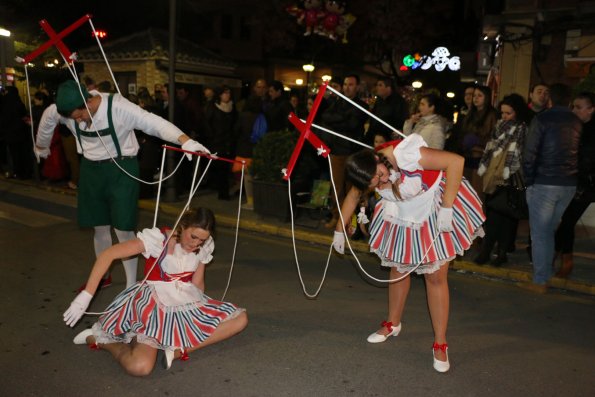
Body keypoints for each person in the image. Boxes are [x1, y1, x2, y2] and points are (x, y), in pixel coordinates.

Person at [34, 80, 209, 290]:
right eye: (74, 118)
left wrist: (185, 140)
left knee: (124, 229)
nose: (79, 121)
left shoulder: (118, 107)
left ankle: (131, 286)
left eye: (80, 115)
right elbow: (47, 120)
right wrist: (41, 145)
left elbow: (153, 123)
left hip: (122, 168)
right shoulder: (61, 111)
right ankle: (103, 276)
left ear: (88, 102)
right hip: (91, 169)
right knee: (99, 227)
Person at [331, 134, 485, 373]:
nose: (380, 182)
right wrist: (339, 230)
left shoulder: (407, 154)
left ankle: (440, 343)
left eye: (381, 175)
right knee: (398, 270)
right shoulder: (365, 171)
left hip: (433, 208)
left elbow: (456, 161)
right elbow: (352, 196)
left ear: (377, 158)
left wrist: (447, 208)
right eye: (374, 183)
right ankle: (392, 323)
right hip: (401, 213)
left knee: (435, 277)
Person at [63, 207, 248, 376]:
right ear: (183, 226)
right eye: (193, 237)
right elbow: (108, 254)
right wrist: (87, 295)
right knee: (140, 367)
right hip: (153, 306)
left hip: (185, 301)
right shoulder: (158, 239)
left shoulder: (203, 247)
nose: (196, 244)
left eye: (202, 240)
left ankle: (176, 350)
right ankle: (100, 340)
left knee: (240, 319)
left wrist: (199, 316)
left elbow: (197, 283)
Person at [521, 83, 582, 293]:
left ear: (550, 99)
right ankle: (545, 274)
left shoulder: (542, 119)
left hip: (545, 181)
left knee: (540, 233)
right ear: (569, 100)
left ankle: (540, 280)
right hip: (568, 184)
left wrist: (529, 180)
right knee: (548, 231)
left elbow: (529, 153)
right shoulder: (577, 122)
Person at [475, 94, 531, 265]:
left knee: (507, 218)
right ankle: (486, 250)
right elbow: (490, 149)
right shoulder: (499, 127)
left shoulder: (522, 128)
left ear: (517, 112)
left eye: (509, 113)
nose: (505, 116)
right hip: (493, 176)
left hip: (511, 177)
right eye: (503, 113)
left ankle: (501, 253)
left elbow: (520, 154)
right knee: (492, 216)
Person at [554, 92, 595, 277]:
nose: (574, 110)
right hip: (573, 181)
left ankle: (564, 259)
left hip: (586, 185)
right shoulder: (574, 127)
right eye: (573, 106)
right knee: (566, 221)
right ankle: (562, 258)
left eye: (579, 107)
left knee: (567, 220)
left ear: (591, 109)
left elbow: (586, 160)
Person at [320, 74, 368, 228]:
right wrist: (343, 118)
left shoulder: (362, 105)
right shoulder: (337, 102)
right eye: (345, 84)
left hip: (353, 152)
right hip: (336, 151)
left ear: (357, 86)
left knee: (352, 188)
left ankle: (350, 221)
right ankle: (337, 216)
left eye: (351, 84)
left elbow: (352, 125)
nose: (347, 87)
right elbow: (325, 116)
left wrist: (338, 120)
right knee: (337, 187)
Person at [460, 85, 498, 196]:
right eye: (474, 96)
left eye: (479, 96)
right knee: (465, 192)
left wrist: (477, 140)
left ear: (486, 97)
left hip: (481, 159)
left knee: (477, 194)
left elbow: (493, 138)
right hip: (467, 156)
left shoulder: (492, 114)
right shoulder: (471, 114)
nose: (475, 98)